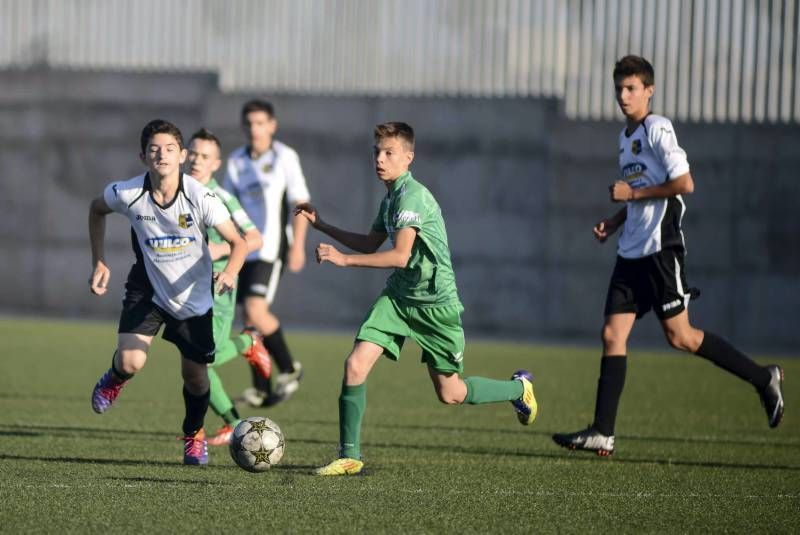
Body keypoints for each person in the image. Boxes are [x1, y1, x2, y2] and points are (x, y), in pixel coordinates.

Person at [552, 56, 785, 456]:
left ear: (649, 90)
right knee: (612, 334)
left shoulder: (658, 128)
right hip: (631, 253)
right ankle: (602, 431)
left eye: (631, 88)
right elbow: (640, 191)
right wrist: (616, 220)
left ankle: (763, 378)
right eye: (619, 88)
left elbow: (684, 184)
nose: (623, 96)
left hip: (661, 251)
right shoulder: (625, 138)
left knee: (682, 337)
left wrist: (632, 195)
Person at [296, 122, 538, 476]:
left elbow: (400, 256)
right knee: (355, 365)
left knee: (451, 393)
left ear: (408, 158)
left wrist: (342, 259)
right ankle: (349, 456)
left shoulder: (411, 197)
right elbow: (370, 243)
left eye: (389, 152)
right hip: (398, 298)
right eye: (377, 151)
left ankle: (519, 389)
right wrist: (323, 225)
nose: (380, 158)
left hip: (435, 305)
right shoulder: (391, 197)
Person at [88, 119, 248, 465]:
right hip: (148, 288)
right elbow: (95, 209)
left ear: (182, 155)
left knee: (195, 376)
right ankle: (115, 378)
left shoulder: (202, 196)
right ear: (143, 155)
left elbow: (240, 242)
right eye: (154, 149)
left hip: (194, 297)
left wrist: (231, 273)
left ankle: (194, 434)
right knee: (132, 361)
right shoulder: (128, 192)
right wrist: (100, 261)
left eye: (170, 149)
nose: (162, 154)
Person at [185, 128, 273, 446]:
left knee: (200, 363)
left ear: (216, 164)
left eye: (204, 156)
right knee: (195, 364)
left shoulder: (222, 197)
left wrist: (221, 251)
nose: (196, 160)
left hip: (218, 286)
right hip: (185, 290)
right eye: (192, 153)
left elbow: (255, 238)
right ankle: (232, 422)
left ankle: (247, 343)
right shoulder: (175, 192)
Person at [224, 99, 309, 407]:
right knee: (248, 318)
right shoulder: (236, 161)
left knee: (256, 309)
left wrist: (298, 245)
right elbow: (224, 206)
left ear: (272, 125)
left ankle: (290, 369)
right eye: (249, 124)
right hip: (242, 250)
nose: (254, 129)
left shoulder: (285, 157)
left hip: (272, 248)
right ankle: (261, 387)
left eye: (260, 123)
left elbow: (300, 204)